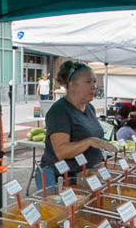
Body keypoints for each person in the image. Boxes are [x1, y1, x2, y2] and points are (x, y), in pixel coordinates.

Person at [36, 60, 118, 190]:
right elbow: (61, 151)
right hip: (62, 178)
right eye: (88, 82)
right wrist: (89, 141)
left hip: (87, 175)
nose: (93, 86)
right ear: (72, 85)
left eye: (94, 82)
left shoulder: (89, 108)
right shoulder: (59, 111)